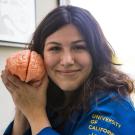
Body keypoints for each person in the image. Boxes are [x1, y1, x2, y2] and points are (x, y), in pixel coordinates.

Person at [1, 5, 135, 135]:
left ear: (95, 53)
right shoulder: (47, 95)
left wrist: (36, 115)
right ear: (40, 55)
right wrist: (22, 105)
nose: (67, 61)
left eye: (79, 47)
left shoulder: (114, 104)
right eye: (55, 48)